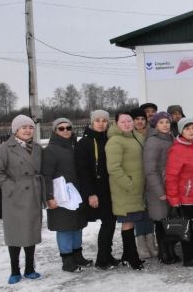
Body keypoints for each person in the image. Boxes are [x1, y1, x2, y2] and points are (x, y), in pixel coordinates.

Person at [0, 115, 44, 284]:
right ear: (16, 130)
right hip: (14, 198)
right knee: (14, 234)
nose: (28, 130)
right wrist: (11, 188)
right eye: (23, 128)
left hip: (33, 194)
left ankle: (30, 269)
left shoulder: (37, 148)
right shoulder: (4, 149)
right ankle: (15, 270)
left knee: (31, 232)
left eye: (30, 127)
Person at [43, 117, 89, 272]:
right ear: (55, 131)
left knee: (77, 226)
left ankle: (78, 255)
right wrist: (49, 196)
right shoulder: (51, 149)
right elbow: (46, 175)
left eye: (68, 128)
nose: (65, 131)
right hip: (61, 196)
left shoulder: (74, 146)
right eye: (61, 128)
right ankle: (67, 260)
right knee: (64, 227)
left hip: (76, 194)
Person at [75, 110, 119, 269]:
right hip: (97, 190)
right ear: (92, 123)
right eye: (97, 120)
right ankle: (102, 259)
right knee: (107, 222)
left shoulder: (110, 139)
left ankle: (107, 255)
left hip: (111, 188)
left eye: (104, 120)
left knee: (111, 222)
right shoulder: (84, 143)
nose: (101, 123)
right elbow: (83, 171)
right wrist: (90, 193)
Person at [165, 117, 193, 266]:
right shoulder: (177, 149)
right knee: (187, 229)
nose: (191, 131)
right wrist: (174, 200)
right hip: (186, 197)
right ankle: (189, 257)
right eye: (187, 129)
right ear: (181, 131)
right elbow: (171, 176)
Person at [106, 111, 146, 269]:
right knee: (128, 222)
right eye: (123, 122)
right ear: (116, 123)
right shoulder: (115, 141)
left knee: (132, 222)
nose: (127, 124)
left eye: (129, 121)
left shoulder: (136, 136)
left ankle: (127, 255)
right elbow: (114, 168)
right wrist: (129, 184)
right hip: (125, 189)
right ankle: (133, 258)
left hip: (137, 188)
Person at [143, 111, 179, 264]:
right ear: (155, 125)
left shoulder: (171, 138)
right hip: (158, 189)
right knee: (160, 222)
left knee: (169, 221)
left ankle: (171, 251)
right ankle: (164, 253)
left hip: (170, 185)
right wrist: (160, 192)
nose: (165, 125)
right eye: (161, 122)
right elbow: (150, 170)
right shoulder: (153, 141)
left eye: (167, 122)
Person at [130, 107, 156, 258]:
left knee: (150, 211)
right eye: (137, 119)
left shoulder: (152, 133)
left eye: (142, 119)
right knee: (139, 212)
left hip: (151, 176)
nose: (140, 122)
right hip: (136, 177)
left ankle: (151, 241)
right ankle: (141, 243)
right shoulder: (129, 136)